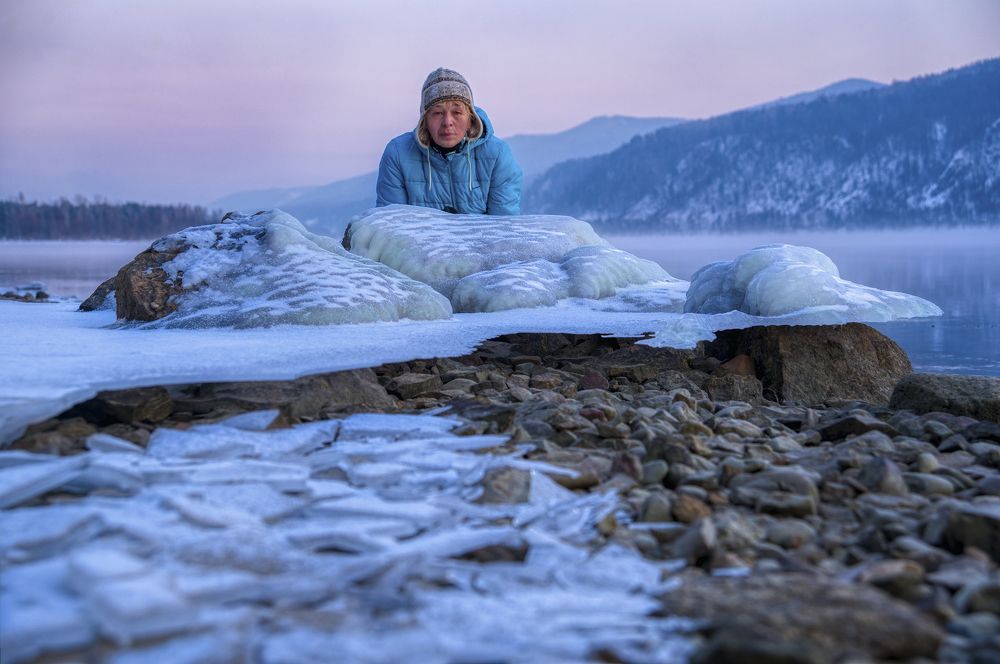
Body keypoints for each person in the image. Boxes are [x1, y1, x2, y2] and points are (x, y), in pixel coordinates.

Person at [376, 68, 522, 215]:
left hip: (481, 239)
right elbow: (391, 228)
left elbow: (504, 226)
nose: (447, 122)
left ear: (471, 119)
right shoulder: (398, 155)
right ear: (424, 120)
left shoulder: (497, 155)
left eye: (457, 112)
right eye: (437, 113)